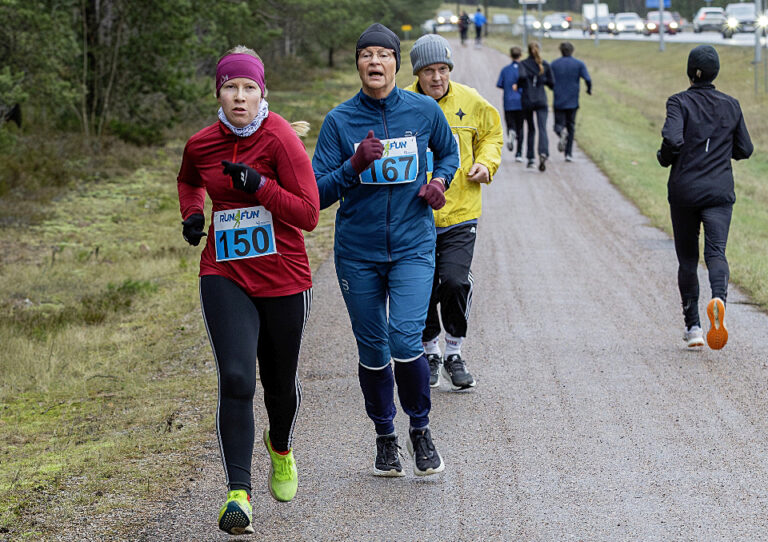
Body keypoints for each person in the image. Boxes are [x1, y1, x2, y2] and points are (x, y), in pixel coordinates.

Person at [177, 45, 320, 534]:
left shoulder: (281, 139)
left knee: (279, 387)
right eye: (230, 87)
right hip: (226, 272)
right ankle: (239, 494)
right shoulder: (201, 144)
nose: (240, 97)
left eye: (249, 89)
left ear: (263, 94)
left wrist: (260, 185)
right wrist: (194, 213)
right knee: (237, 378)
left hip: (283, 276)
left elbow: (309, 214)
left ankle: (279, 446)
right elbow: (188, 180)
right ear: (218, 91)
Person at [312, 23, 459, 477]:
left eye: (383, 54)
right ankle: (385, 437)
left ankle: (420, 428)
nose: (374, 62)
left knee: (404, 338)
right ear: (358, 64)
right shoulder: (340, 121)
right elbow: (316, 192)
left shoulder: (423, 110)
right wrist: (354, 164)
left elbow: (448, 152)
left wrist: (439, 182)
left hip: (414, 245)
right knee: (373, 348)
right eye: (366, 55)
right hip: (358, 252)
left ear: (397, 63)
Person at [405, 34, 503, 391]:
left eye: (443, 69)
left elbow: (492, 135)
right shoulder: (402, 102)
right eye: (429, 71)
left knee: (455, 281)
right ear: (418, 72)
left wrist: (485, 164)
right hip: (414, 214)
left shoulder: (471, 101)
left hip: (461, 211)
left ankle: (454, 352)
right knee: (423, 287)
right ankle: (430, 351)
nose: (437, 78)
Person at [657, 45, 752, 350]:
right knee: (716, 253)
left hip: (685, 190)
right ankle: (718, 301)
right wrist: (725, 152)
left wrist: (665, 156)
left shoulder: (679, 102)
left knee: (687, 259)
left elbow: (672, 139)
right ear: (716, 72)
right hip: (719, 191)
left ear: (690, 71)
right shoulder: (732, 105)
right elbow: (745, 149)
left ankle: (694, 327)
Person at [550, 41, 591, 162]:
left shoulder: (554, 64)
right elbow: (587, 79)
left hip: (559, 99)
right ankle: (568, 153)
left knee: (558, 125)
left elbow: (549, 79)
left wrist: (553, 87)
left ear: (561, 51)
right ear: (572, 51)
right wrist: (589, 90)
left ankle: (561, 133)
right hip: (573, 100)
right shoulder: (579, 64)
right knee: (571, 126)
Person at [517, 42, 554, 171]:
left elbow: (520, 78)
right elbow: (552, 83)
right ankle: (543, 152)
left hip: (527, 100)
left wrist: (521, 84)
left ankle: (531, 157)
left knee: (531, 129)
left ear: (527, 51)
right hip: (541, 100)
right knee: (542, 128)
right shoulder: (545, 65)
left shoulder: (523, 64)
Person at [496, 46, 524, 161]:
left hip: (508, 101)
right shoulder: (523, 69)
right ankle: (519, 153)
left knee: (510, 123)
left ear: (510, 55)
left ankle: (511, 132)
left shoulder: (505, 70)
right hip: (521, 102)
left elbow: (499, 84)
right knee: (521, 127)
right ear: (521, 55)